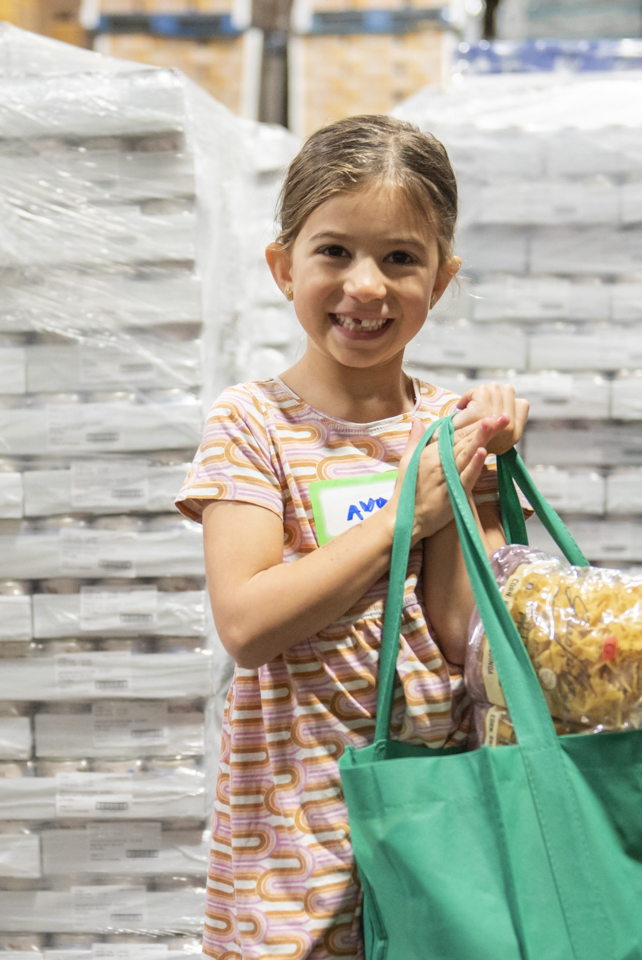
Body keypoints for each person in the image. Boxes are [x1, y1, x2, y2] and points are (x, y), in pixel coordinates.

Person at [175, 114, 529, 960]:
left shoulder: (446, 426)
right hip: (294, 834)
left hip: (438, 815)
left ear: (440, 280)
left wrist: (480, 458)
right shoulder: (250, 425)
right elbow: (249, 624)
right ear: (282, 266)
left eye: (400, 258)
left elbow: (455, 634)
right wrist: (411, 512)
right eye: (334, 251)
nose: (366, 285)